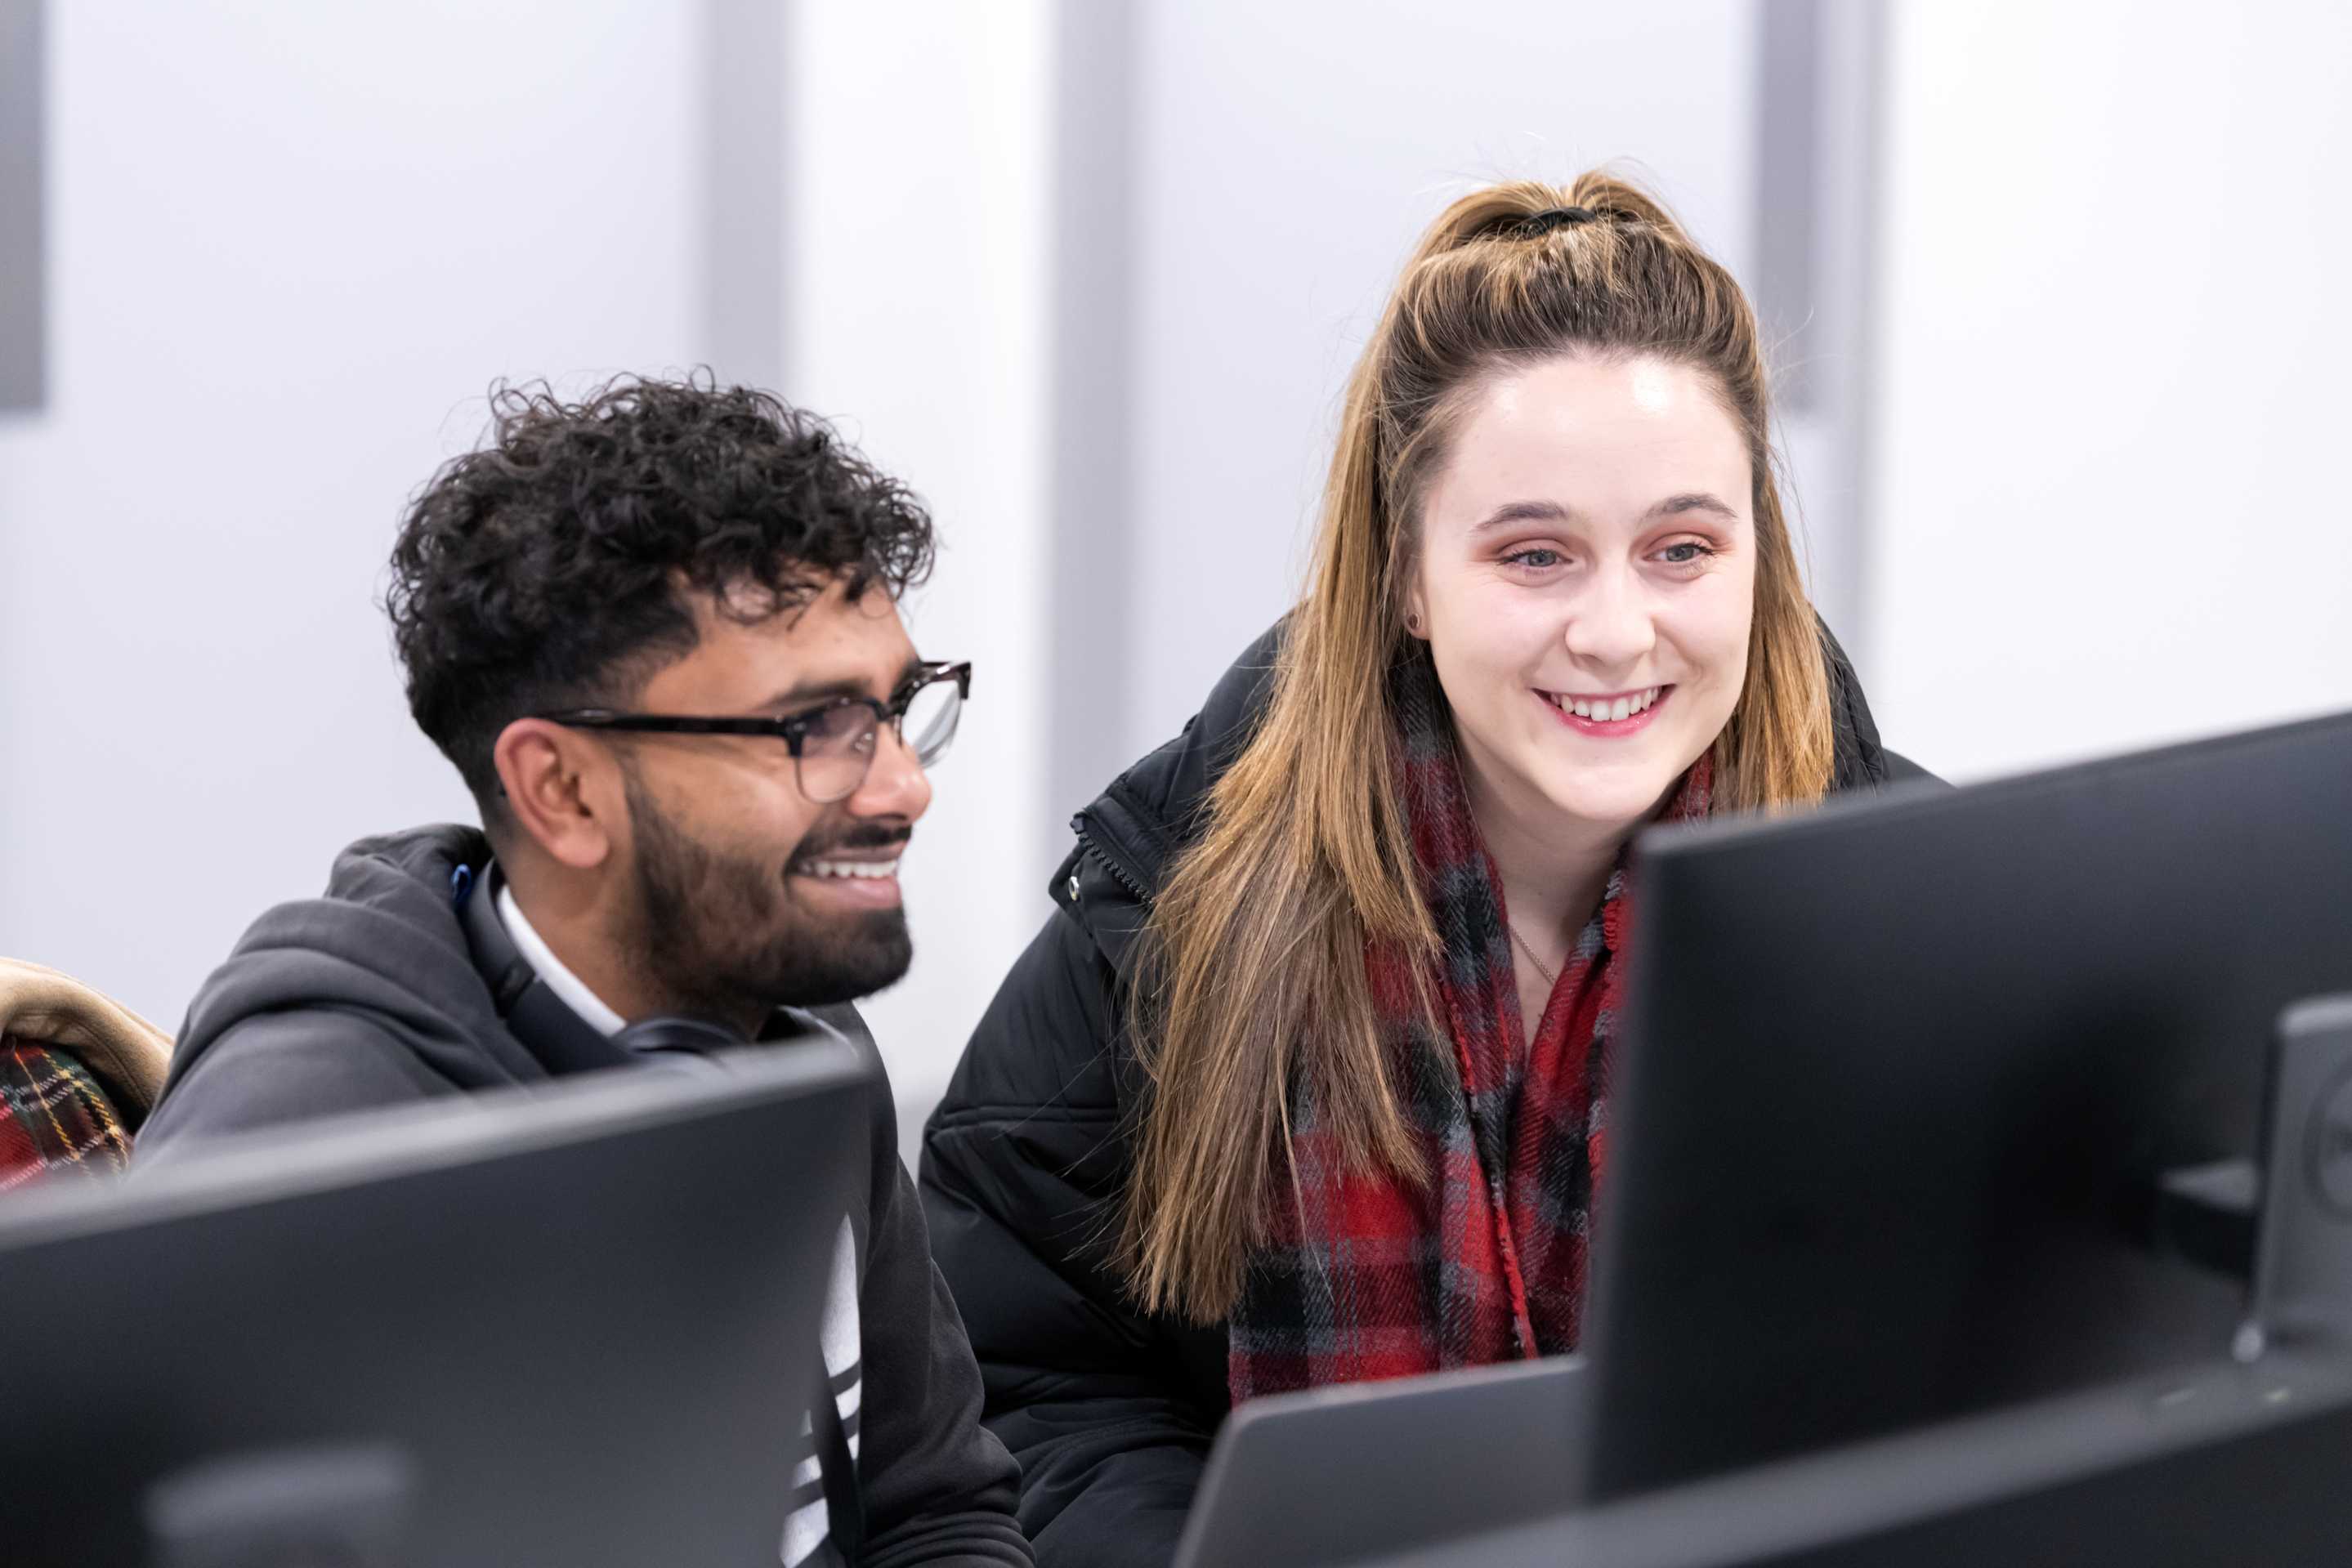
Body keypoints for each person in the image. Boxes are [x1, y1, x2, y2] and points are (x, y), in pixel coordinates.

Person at [919, 173, 1938, 1566]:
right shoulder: (1186, 895)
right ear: (1405, 576)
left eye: (1682, 549)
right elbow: (1020, 1365)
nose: (1616, 631)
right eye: (1534, 555)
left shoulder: (1907, 910)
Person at [138, 377, 1034, 1568]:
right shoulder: (302, 1150)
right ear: (560, 790)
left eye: (897, 708)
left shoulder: (796, 1034)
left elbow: (938, 1511)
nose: (902, 786)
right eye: (814, 728)